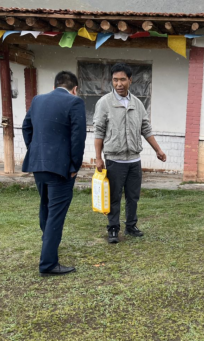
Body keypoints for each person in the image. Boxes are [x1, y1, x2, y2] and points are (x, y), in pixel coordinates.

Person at [93, 62, 167, 244]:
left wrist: (158, 150)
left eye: (122, 80)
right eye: (115, 80)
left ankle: (131, 226)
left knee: (133, 196)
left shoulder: (137, 104)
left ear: (130, 80)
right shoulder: (104, 103)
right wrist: (98, 157)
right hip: (114, 160)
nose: (119, 84)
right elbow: (99, 131)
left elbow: (146, 128)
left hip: (134, 160)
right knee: (114, 197)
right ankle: (113, 228)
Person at [22, 71, 87, 276]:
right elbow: (78, 137)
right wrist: (74, 166)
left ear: (54, 86)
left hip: (38, 164)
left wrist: (36, 151)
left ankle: (47, 244)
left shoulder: (37, 100)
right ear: (75, 89)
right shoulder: (75, 102)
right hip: (61, 168)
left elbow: (26, 127)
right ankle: (48, 263)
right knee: (56, 214)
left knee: (45, 206)